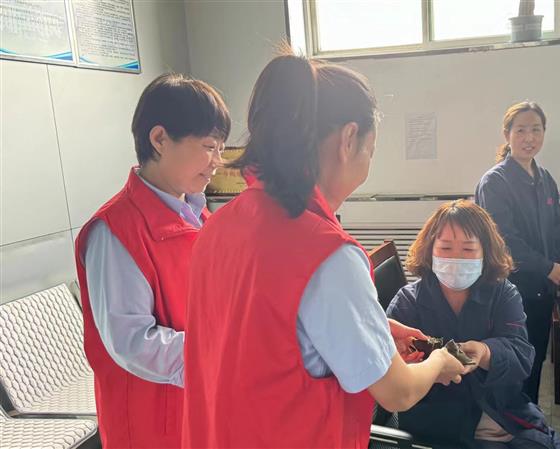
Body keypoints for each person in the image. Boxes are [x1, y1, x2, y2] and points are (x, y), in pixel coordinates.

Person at [181, 51, 466, 448]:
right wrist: (438, 363)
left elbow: (263, 335)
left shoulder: (219, 226)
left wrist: (374, 329)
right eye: (371, 147)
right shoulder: (327, 254)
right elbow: (397, 391)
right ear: (349, 140)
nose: (368, 159)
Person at [74, 73, 230, 448]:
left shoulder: (198, 217)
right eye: (209, 147)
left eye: (220, 148)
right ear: (159, 139)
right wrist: (222, 355)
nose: (218, 162)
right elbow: (132, 342)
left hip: (196, 409)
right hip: (151, 425)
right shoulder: (116, 231)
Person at [386, 200, 560, 449]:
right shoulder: (408, 302)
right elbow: (392, 377)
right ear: (429, 250)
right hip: (436, 423)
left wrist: (486, 352)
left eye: (468, 249)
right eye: (445, 247)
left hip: (500, 409)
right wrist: (425, 368)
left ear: (485, 253)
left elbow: (522, 356)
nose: (456, 258)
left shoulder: (502, 293)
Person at [475, 102, 560, 404]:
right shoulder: (495, 182)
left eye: (536, 130)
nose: (529, 137)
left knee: (534, 358)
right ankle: (509, 421)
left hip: (542, 289)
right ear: (507, 134)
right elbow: (504, 240)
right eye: (521, 130)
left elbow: (555, 228)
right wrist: (546, 266)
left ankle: (528, 417)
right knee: (513, 364)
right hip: (511, 290)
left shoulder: (544, 178)